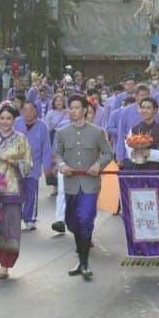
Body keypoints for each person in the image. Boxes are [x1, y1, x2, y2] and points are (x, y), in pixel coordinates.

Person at [54, 95, 113, 281]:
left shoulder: (97, 132)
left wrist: (98, 165)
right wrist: (62, 165)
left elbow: (108, 153)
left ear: (85, 110)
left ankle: (85, 263)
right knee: (72, 222)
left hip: (90, 185)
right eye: (70, 108)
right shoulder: (62, 132)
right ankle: (81, 259)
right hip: (71, 184)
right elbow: (57, 153)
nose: (73, 111)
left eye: (77, 108)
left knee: (85, 220)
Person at [0, 105, 33, 280]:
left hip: (13, 187)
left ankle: (5, 266)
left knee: (11, 226)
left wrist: (13, 161)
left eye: (9, 118)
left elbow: (28, 164)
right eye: (2, 118)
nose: (5, 122)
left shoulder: (21, 139)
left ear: (14, 120)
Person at [123, 98, 159, 169]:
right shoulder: (134, 129)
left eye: (148, 108)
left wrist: (150, 153)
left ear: (155, 110)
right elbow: (128, 147)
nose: (144, 111)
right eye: (143, 108)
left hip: (158, 171)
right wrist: (132, 152)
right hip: (138, 170)